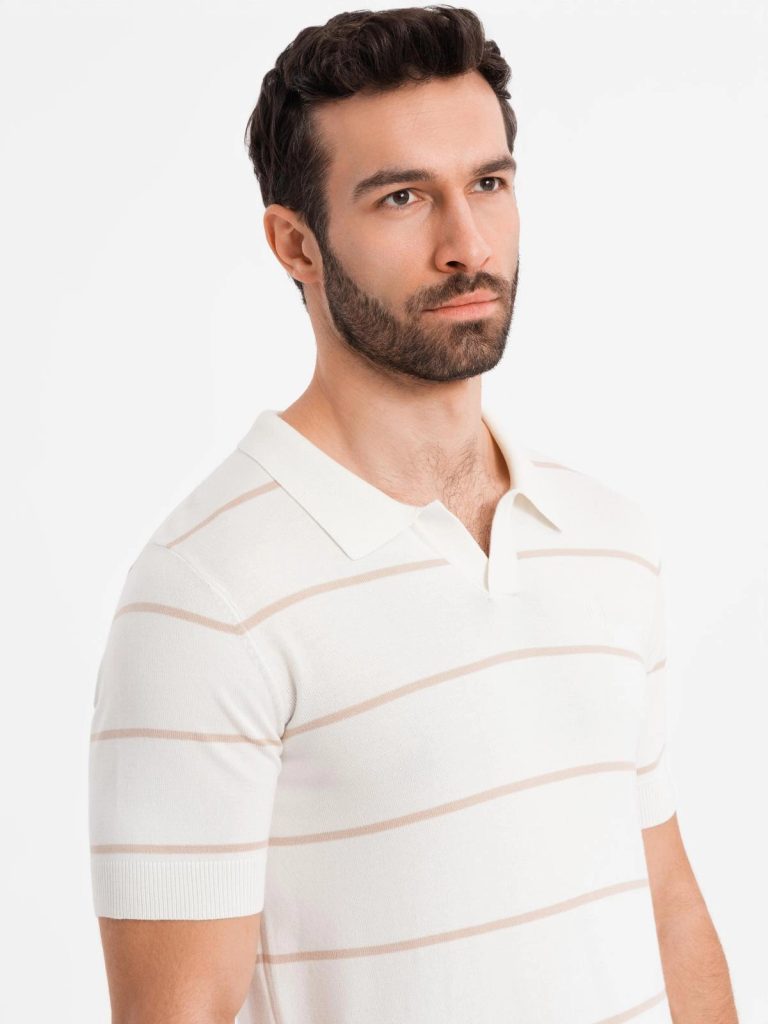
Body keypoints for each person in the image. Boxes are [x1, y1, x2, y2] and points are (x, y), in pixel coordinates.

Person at [89, 6, 739, 1023]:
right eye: (403, 197)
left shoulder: (608, 539)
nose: (466, 244)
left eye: (489, 184)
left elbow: (668, 906)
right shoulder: (206, 597)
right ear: (296, 244)